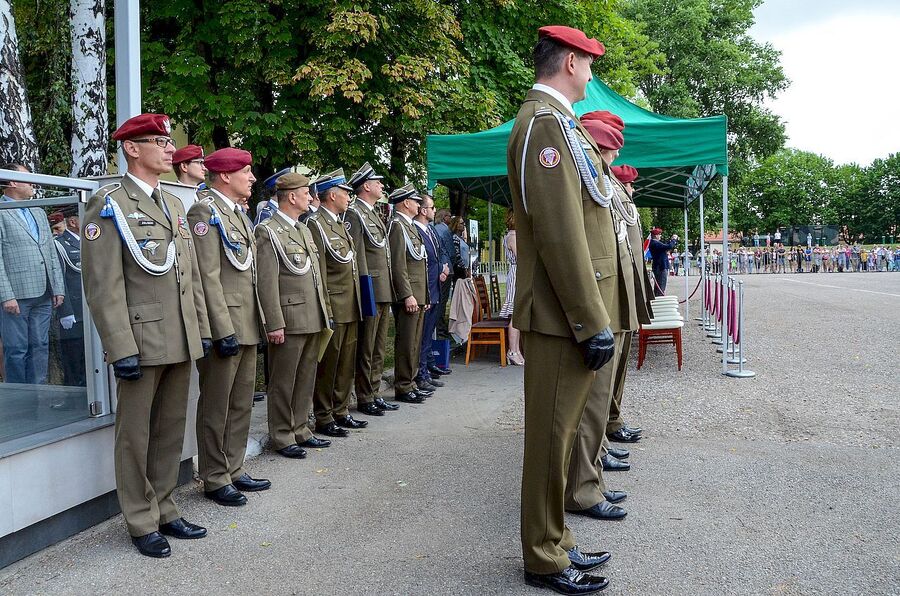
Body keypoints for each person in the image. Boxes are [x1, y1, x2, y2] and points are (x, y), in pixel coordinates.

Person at [507, 25, 615, 594]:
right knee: (550, 440)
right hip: (559, 315)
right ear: (570, 62)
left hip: (561, 313)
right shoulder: (544, 126)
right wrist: (590, 319)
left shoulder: (556, 125)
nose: (592, 75)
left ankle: (557, 538)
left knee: (562, 433)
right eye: (590, 64)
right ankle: (542, 556)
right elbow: (560, 234)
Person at [80, 113, 210, 558]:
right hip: (140, 337)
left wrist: (200, 331)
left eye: (168, 140)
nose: (169, 147)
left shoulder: (174, 204)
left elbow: (187, 276)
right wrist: (119, 347)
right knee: (136, 434)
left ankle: (166, 508)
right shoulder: (109, 202)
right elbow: (103, 284)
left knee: (170, 429)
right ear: (132, 149)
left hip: (179, 334)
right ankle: (139, 519)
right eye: (159, 140)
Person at [189, 147, 271, 507]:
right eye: (246, 172)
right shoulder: (204, 212)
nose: (252, 178)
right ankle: (214, 475)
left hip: (247, 321)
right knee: (217, 405)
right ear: (225, 175)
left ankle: (234, 467)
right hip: (226, 324)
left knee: (240, 404)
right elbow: (207, 277)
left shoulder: (236, 214)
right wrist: (220, 329)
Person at [254, 172, 333, 459]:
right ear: (291, 196)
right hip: (289, 318)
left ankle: (301, 428)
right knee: (283, 381)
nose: (311, 198)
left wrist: (325, 311)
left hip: (312, 315)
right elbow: (266, 281)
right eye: (306, 193)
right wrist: (274, 323)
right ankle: (282, 435)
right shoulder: (268, 231)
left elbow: (315, 277)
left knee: (305, 377)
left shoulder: (302, 229)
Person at [306, 169, 367, 436]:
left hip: (351, 304)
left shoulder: (340, 223)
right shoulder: (316, 224)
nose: (349, 197)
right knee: (329, 365)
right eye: (345, 192)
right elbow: (319, 271)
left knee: (345, 362)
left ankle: (341, 410)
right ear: (332, 195)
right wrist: (325, 308)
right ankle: (324, 414)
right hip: (334, 304)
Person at [0, 163, 66, 386]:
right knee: (16, 349)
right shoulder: (0, 212)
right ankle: (19, 400)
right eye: (28, 179)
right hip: (16, 295)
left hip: (44, 292)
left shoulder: (38, 209)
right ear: (12, 182)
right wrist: (6, 295)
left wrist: (57, 287)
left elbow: (49, 251)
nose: (33, 184)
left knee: (40, 345)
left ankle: (39, 394)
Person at [345, 162, 399, 416]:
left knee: (378, 346)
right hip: (371, 287)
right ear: (366, 186)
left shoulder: (372, 212)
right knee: (366, 347)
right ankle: (365, 395)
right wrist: (364, 290)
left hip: (382, 287)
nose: (381, 185)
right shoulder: (355, 213)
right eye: (377, 182)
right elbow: (358, 255)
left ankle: (374, 391)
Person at [388, 184, 430, 404]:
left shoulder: (409, 226)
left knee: (414, 341)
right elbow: (398, 264)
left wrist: (425, 297)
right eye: (415, 201)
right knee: (406, 342)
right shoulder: (397, 226)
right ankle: (403, 385)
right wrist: (407, 295)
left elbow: (419, 264)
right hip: (410, 294)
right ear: (405, 203)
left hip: (419, 293)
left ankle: (411, 382)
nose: (418, 205)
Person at [413, 193, 446, 391]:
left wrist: (443, 266)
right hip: (425, 289)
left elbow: (438, 252)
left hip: (435, 287)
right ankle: (421, 373)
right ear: (424, 211)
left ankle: (427, 369)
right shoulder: (416, 231)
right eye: (432, 208)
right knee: (422, 334)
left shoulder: (431, 231)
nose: (435, 211)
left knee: (427, 334)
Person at [52, 205, 86, 388]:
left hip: (90, 310)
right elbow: (59, 278)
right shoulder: (60, 244)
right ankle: (73, 400)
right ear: (73, 222)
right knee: (73, 359)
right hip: (74, 312)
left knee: (89, 358)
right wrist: (65, 311)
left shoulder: (88, 240)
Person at [498, 209, 524, 365]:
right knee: (515, 315)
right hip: (516, 274)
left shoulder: (512, 235)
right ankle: (512, 350)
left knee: (518, 314)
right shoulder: (513, 236)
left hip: (516, 273)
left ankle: (516, 350)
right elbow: (520, 257)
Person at [433, 208, 455, 342]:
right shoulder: (445, 231)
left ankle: (438, 327)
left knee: (439, 298)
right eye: (450, 217)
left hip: (438, 268)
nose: (451, 219)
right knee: (442, 300)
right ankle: (440, 328)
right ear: (445, 217)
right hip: (446, 268)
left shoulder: (434, 229)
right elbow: (451, 251)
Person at [648, 227, 677, 296]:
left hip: (659, 266)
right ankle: (659, 300)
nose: (660, 236)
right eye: (659, 234)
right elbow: (668, 246)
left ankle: (657, 298)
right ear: (656, 235)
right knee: (661, 286)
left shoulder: (655, 243)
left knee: (659, 286)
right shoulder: (655, 243)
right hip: (660, 267)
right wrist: (673, 240)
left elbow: (665, 246)